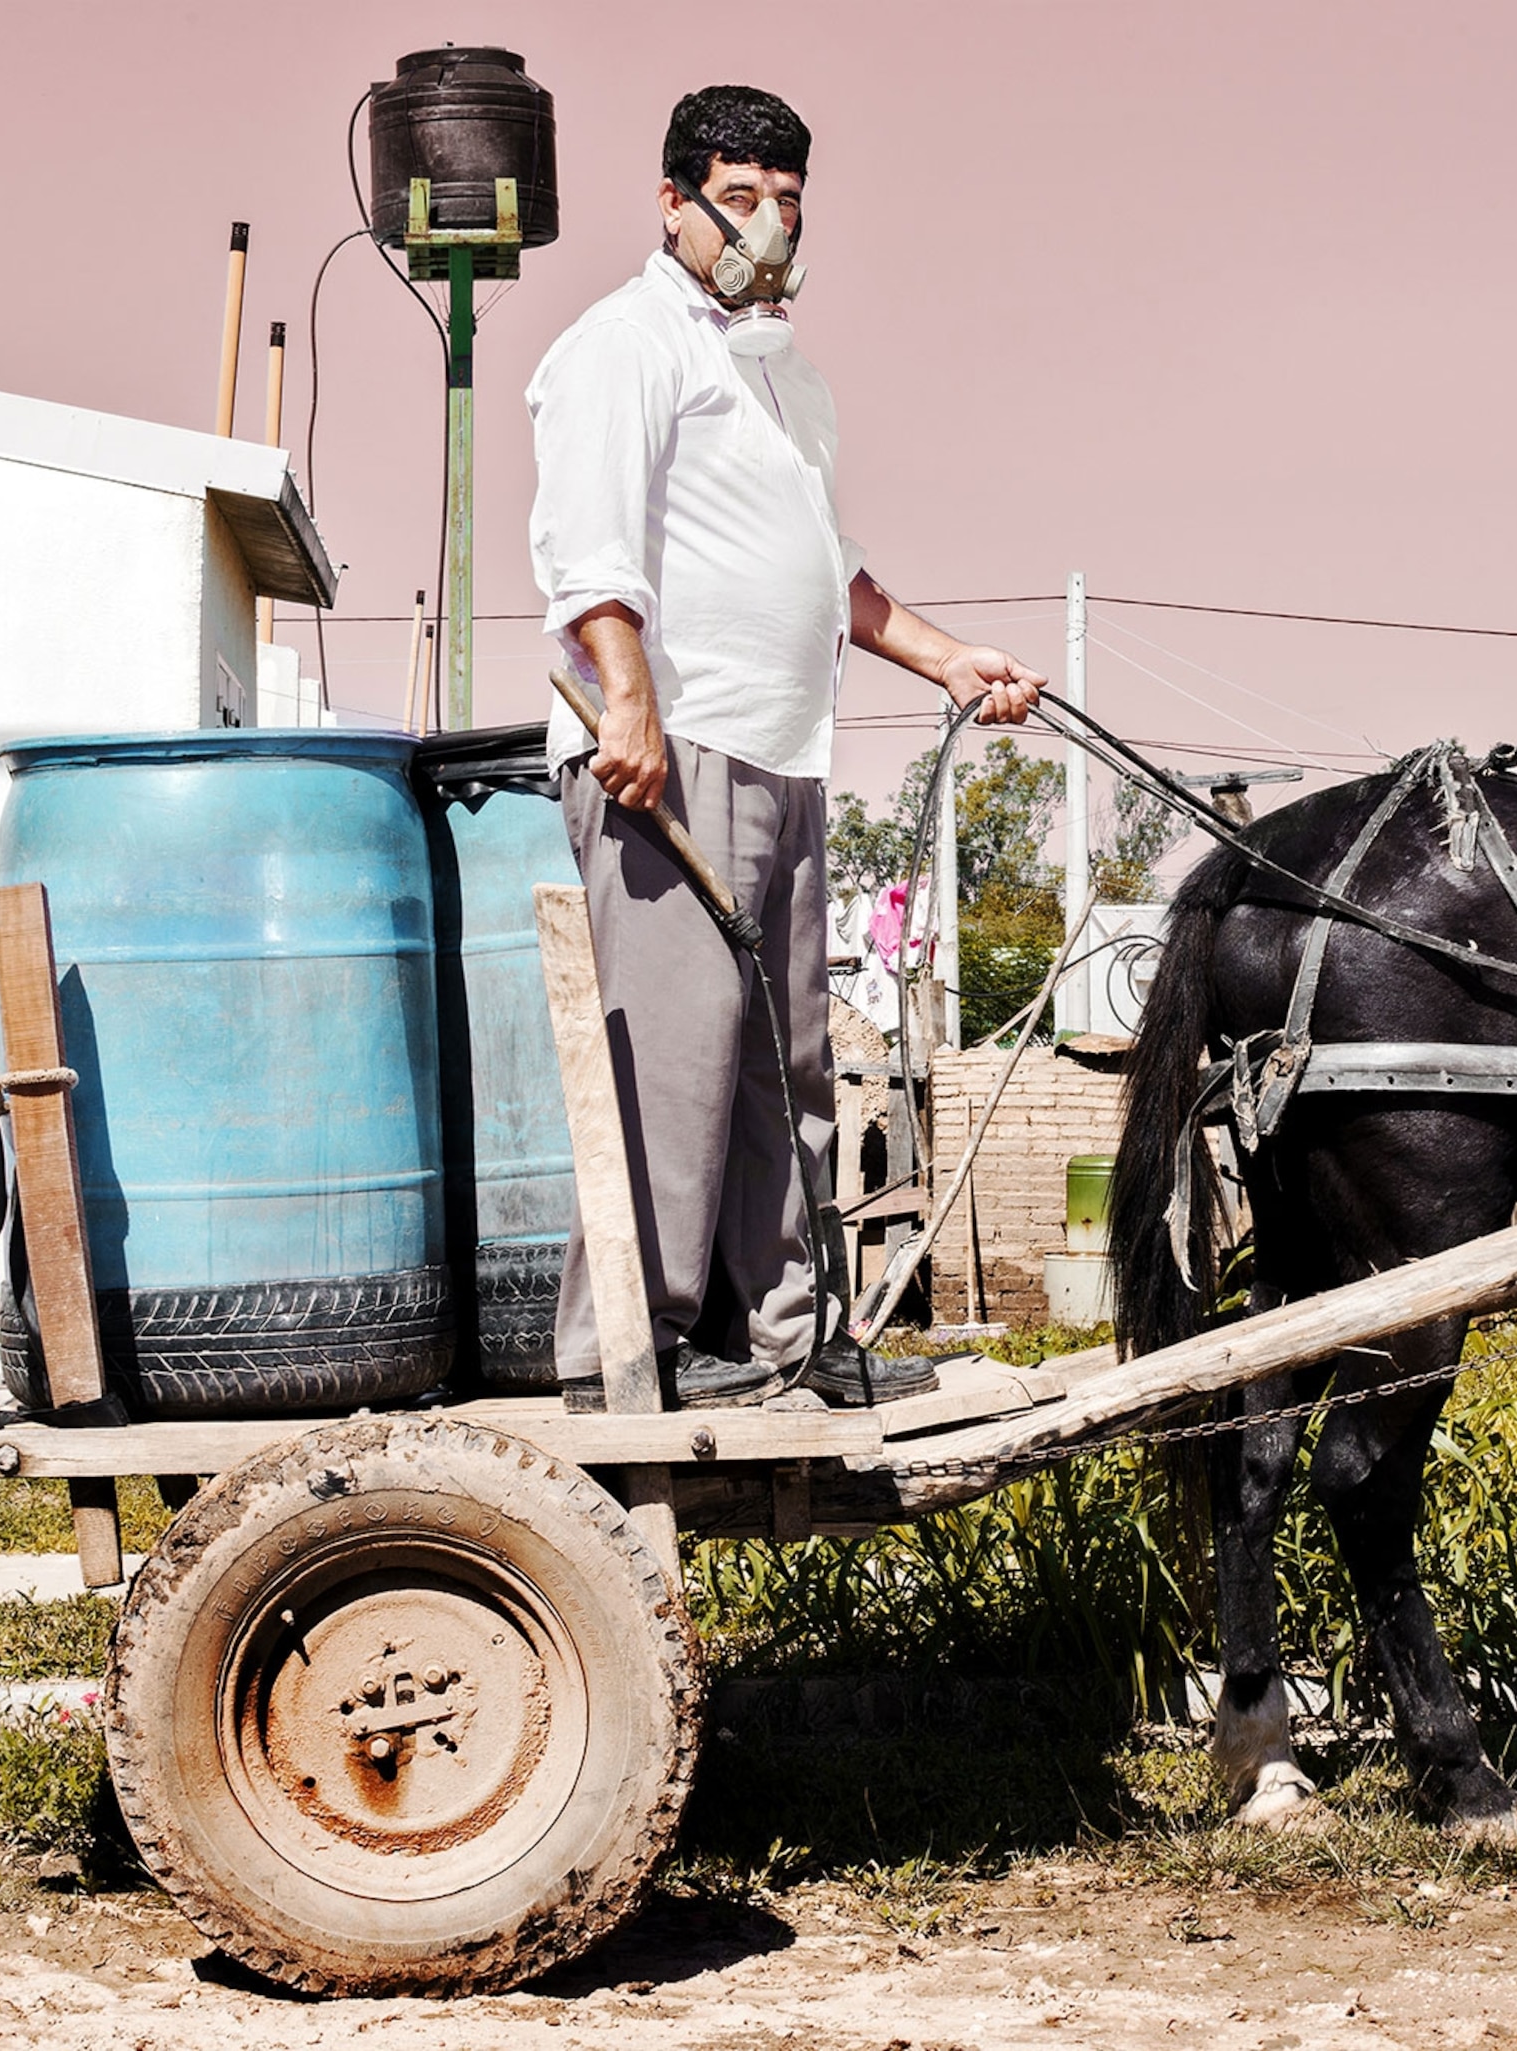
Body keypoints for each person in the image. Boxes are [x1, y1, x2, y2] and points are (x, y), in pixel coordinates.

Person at [527, 84, 1043, 1413]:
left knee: (785, 1070)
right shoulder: (623, 346)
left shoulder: (785, 377)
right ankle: (624, 1360)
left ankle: (788, 1345)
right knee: (672, 1061)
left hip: (782, 759)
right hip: (670, 750)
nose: (768, 228)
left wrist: (953, 660)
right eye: (743, 200)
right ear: (677, 205)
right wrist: (627, 710)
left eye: (788, 204)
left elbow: (837, 576)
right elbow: (589, 549)